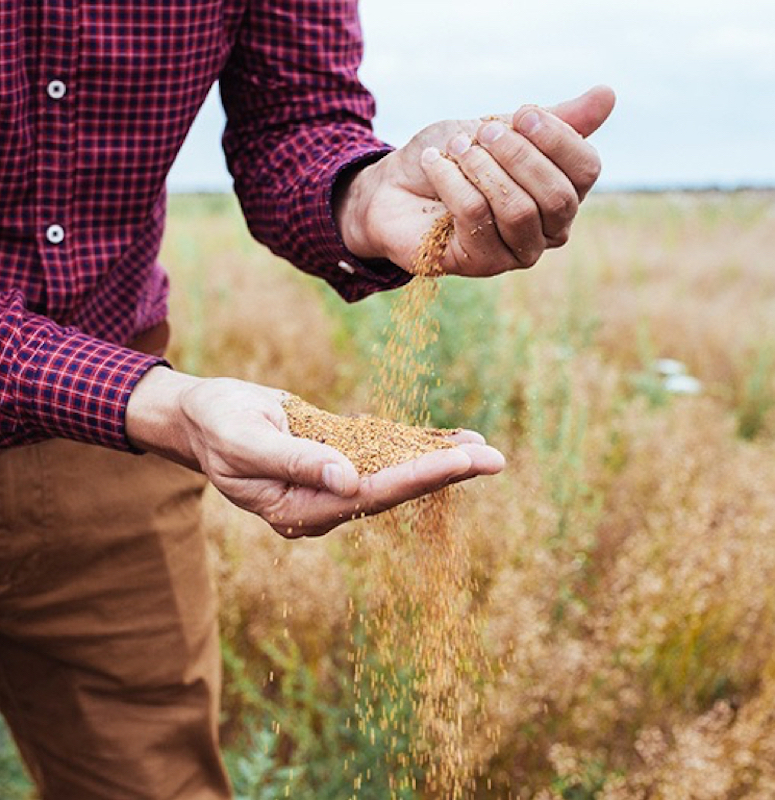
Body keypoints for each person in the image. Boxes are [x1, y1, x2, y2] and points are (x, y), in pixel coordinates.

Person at [0, 0, 615, 797]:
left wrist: (365, 191)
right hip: (135, 400)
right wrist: (164, 404)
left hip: (113, 444)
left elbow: (292, 120)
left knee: (153, 777)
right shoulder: (164, 406)